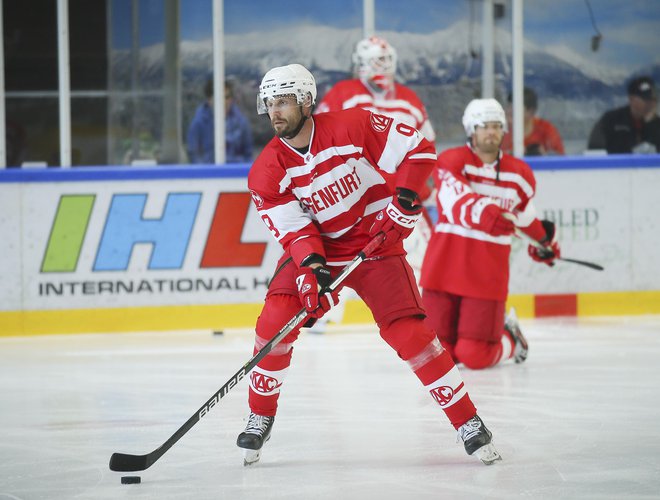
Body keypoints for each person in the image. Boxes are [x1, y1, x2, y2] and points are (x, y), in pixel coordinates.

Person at [236, 63, 501, 467]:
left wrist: (405, 202)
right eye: (270, 102)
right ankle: (260, 414)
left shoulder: (352, 126)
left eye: (285, 101)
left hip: (376, 240)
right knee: (275, 318)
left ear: (306, 102)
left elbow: (418, 149)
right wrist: (312, 273)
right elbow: (296, 232)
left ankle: (468, 421)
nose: (275, 111)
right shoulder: (266, 171)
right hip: (321, 248)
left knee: (409, 332)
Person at [420, 98, 562, 370]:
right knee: (439, 354)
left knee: (474, 355)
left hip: (486, 277)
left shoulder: (519, 174)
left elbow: (526, 219)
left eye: (497, 126)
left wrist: (546, 242)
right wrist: (491, 215)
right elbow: (457, 202)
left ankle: (512, 339)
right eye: (484, 126)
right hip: (443, 269)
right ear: (471, 130)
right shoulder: (451, 161)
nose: (491, 132)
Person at [312, 36, 437, 331]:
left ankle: (429, 313)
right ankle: (323, 312)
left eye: (385, 60)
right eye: (374, 61)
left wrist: (422, 186)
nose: (381, 67)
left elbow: (427, 145)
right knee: (338, 250)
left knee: (424, 259)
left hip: (401, 198)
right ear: (359, 64)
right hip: (355, 195)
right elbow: (319, 142)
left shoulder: (410, 99)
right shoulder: (342, 93)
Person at [588, 75, 660, 154]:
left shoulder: (657, 124)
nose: (650, 104)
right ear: (631, 99)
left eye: (653, 100)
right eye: (646, 100)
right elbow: (594, 151)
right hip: (616, 165)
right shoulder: (611, 120)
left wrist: (651, 125)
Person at [186, 79, 253, 163]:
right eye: (219, 97)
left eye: (227, 97)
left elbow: (248, 155)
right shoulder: (198, 123)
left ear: (231, 99)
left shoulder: (242, 123)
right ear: (209, 99)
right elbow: (194, 155)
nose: (224, 102)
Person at [501, 87, 564, 156]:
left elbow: (560, 160)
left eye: (515, 108)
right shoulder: (500, 131)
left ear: (531, 112)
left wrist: (545, 156)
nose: (509, 111)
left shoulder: (546, 130)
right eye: (508, 106)